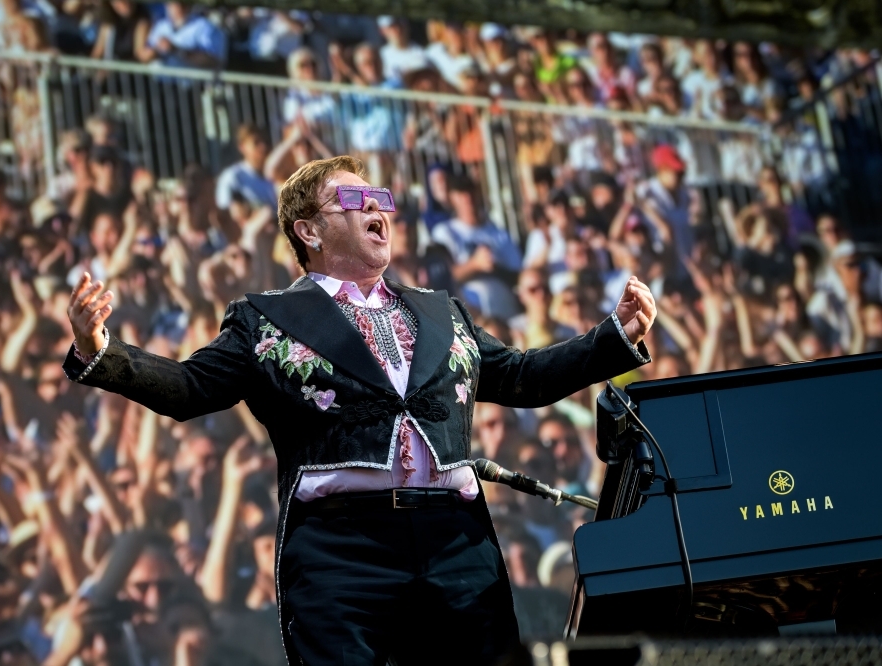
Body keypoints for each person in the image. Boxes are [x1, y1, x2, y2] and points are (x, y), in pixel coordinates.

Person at [63, 154, 656, 665]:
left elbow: (521, 377)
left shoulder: (440, 310)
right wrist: (101, 351)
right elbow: (191, 387)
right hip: (341, 547)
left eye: (380, 197)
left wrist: (613, 337)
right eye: (354, 198)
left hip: (456, 540)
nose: (378, 208)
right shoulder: (265, 318)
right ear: (310, 231)